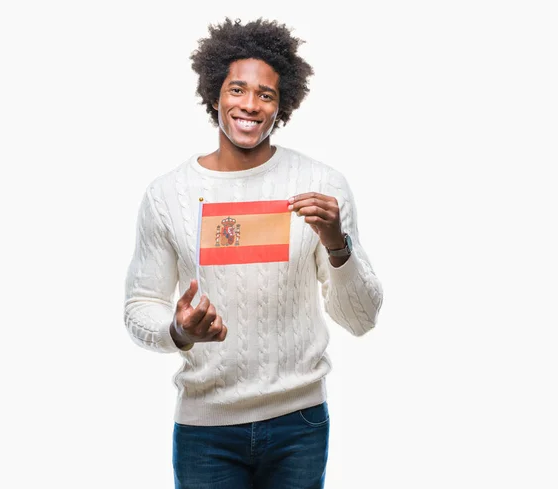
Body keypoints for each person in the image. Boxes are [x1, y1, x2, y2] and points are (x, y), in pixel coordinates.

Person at [124, 17, 383, 489]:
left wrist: (338, 245)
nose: (250, 105)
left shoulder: (322, 186)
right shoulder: (169, 194)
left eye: (265, 95)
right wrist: (178, 329)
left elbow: (361, 319)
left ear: (281, 106)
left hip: (298, 425)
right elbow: (139, 306)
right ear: (214, 93)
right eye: (237, 89)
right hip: (206, 432)